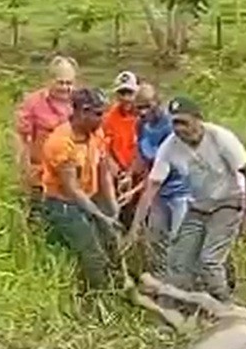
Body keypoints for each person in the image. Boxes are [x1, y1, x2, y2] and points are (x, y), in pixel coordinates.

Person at [128, 95, 246, 302]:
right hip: (198, 206)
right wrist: (135, 227)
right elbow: (152, 187)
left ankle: (226, 305)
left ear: (198, 119)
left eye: (184, 122)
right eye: (175, 123)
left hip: (227, 203)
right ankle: (177, 305)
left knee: (209, 262)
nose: (179, 129)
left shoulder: (220, 138)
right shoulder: (170, 146)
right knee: (177, 261)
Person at [39, 87, 121, 292]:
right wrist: (100, 216)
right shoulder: (61, 142)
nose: (103, 119)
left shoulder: (95, 133)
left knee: (112, 240)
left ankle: (117, 286)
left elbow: (103, 172)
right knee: (93, 252)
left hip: (89, 195)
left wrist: (112, 206)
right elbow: (72, 189)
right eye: (98, 114)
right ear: (83, 112)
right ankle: (100, 297)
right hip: (63, 202)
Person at [124, 81, 188, 281]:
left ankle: (183, 284)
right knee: (156, 239)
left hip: (180, 192)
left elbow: (158, 176)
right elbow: (142, 155)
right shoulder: (141, 124)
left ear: (158, 102)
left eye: (147, 106)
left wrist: (135, 192)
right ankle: (161, 283)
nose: (143, 112)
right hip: (159, 192)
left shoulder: (170, 128)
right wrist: (129, 175)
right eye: (138, 107)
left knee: (179, 241)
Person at [13, 55, 78, 222]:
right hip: (40, 173)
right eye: (60, 83)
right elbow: (22, 138)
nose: (65, 88)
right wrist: (24, 169)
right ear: (50, 80)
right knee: (37, 218)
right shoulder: (33, 102)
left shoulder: (79, 103)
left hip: (71, 173)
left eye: (69, 83)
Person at [102, 70, 142, 228]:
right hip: (118, 175)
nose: (126, 98)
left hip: (140, 173)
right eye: (122, 93)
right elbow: (104, 148)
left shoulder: (144, 116)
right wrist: (116, 170)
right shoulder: (108, 118)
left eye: (130, 93)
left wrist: (132, 172)